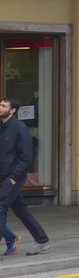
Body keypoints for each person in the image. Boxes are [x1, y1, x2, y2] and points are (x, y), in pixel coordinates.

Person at [0, 97, 50, 256]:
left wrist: (14, 177)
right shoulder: (1, 127)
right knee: (21, 211)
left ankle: (10, 240)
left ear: (13, 110)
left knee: (0, 207)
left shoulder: (20, 128)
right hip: (2, 176)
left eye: (3, 106)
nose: (0, 108)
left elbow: (26, 156)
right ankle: (42, 240)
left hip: (13, 177)